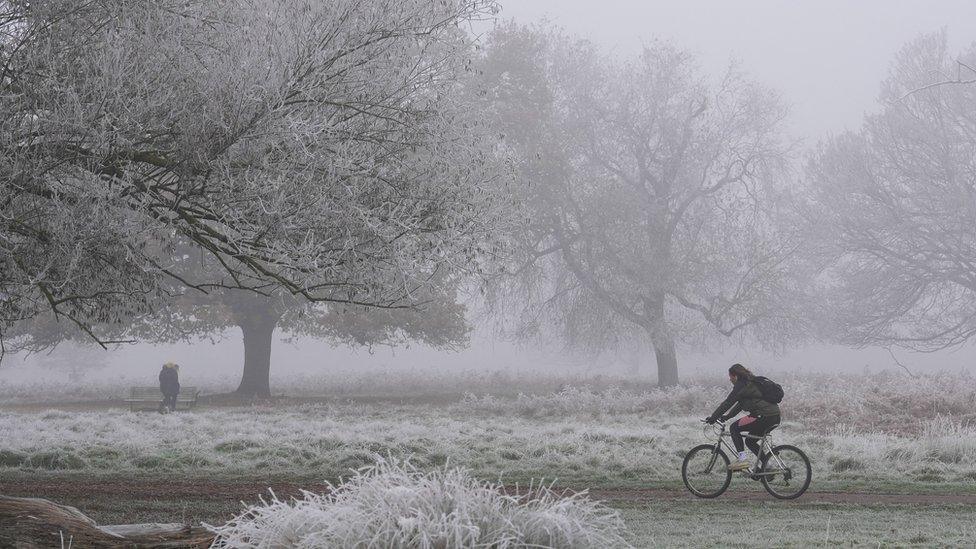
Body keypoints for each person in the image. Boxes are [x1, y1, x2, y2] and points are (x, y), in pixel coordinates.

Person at [704, 363, 780, 472]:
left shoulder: (741, 385)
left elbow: (728, 402)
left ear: (735, 376)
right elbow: (740, 405)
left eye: (730, 377)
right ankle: (768, 467)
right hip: (774, 416)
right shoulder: (750, 382)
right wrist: (726, 417)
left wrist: (713, 417)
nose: (730, 379)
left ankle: (742, 459)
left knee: (734, 428)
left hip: (763, 416)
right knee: (750, 441)